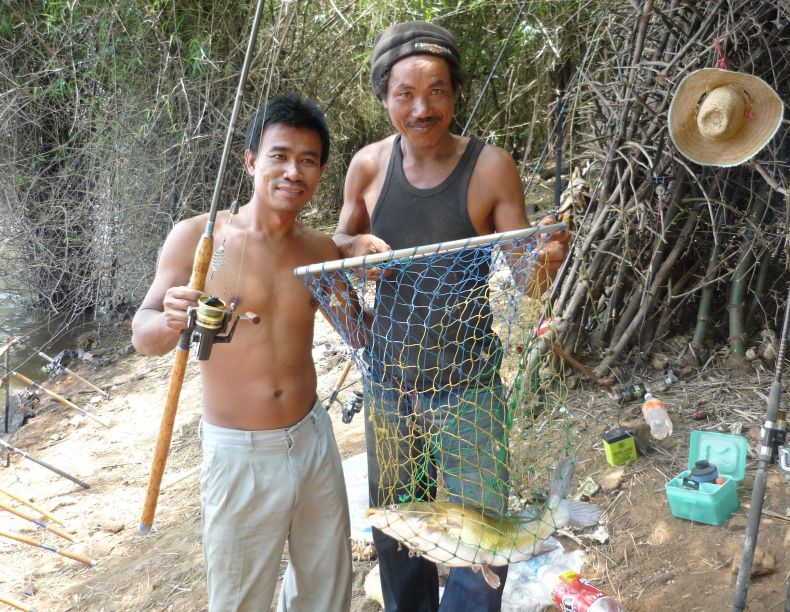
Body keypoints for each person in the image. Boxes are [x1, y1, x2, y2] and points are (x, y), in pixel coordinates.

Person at [333, 21, 569, 612]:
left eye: (437, 90)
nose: (422, 107)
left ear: (456, 94)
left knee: (480, 534)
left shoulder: (490, 167)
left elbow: (525, 274)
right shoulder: (366, 167)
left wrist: (547, 259)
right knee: (398, 531)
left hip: (468, 387)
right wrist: (353, 248)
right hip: (389, 384)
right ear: (384, 98)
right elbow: (340, 241)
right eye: (405, 93)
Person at [132, 93, 356, 612]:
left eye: (308, 160)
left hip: (314, 438)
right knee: (239, 599)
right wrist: (169, 318)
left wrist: (359, 259)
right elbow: (143, 337)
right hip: (239, 452)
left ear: (321, 171)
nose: (292, 171)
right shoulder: (198, 237)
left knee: (325, 589)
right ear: (251, 160)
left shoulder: (320, 250)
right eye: (279, 155)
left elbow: (359, 334)